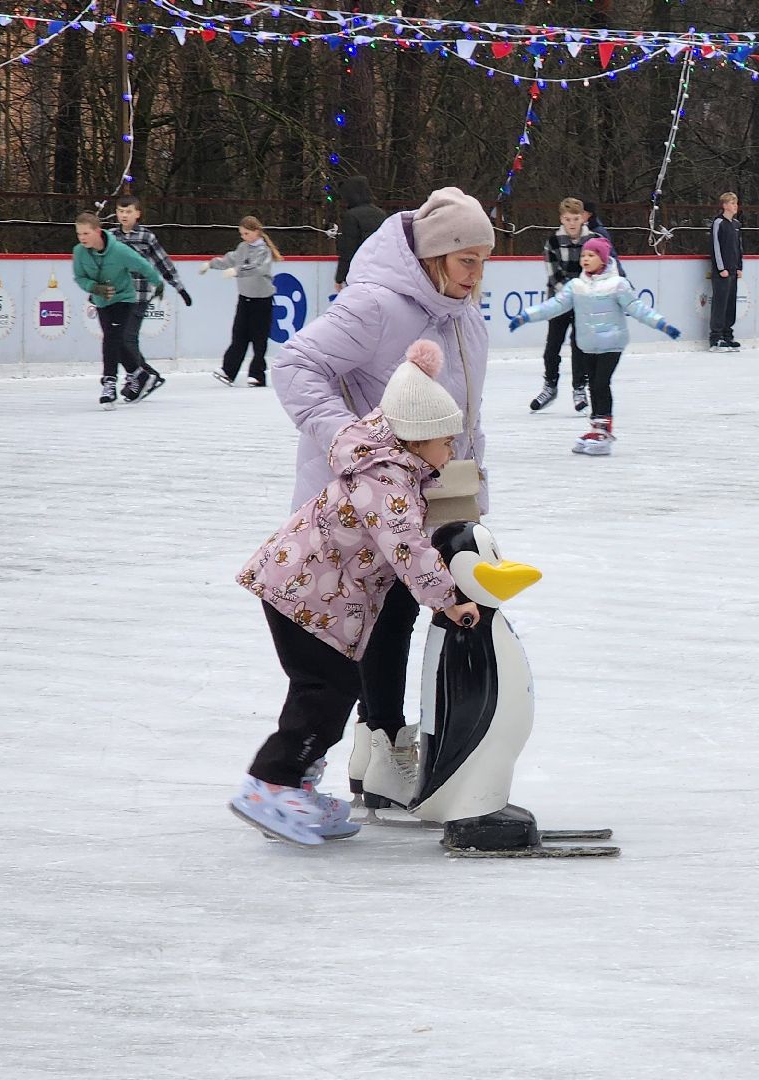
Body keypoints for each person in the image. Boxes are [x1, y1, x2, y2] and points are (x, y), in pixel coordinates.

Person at [272, 185, 495, 805]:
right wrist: (343, 435)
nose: (476, 275)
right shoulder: (375, 305)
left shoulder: (465, 318)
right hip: (356, 501)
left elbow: (467, 420)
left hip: (425, 494)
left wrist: (474, 490)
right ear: (432, 258)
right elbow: (294, 365)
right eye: (465, 260)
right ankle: (381, 742)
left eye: (484, 260)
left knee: (398, 619)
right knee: (378, 626)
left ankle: (378, 744)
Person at [230, 340, 481, 846]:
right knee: (325, 691)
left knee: (328, 689)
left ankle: (293, 784)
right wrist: (449, 597)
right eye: (446, 441)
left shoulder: (388, 459)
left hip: (311, 593)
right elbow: (405, 543)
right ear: (418, 439)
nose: (451, 450)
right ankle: (271, 785)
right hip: (303, 596)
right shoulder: (385, 478)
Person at [508, 236, 682, 456]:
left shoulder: (618, 285)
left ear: (602, 258)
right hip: (587, 345)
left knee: (601, 383)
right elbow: (554, 306)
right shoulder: (576, 286)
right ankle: (596, 427)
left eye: (591, 255)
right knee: (592, 386)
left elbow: (639, 309)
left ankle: (604, 430)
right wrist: (526, 316)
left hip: (612, 343)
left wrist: (662, 325)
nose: (585, 259)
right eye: (583, 255)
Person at [71, 211, 163, 410]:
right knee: (115, 339)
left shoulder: (119, 250)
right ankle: (139, 374)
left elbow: (143, 265)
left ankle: (109, 384)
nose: (82, 238)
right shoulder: (79, 252)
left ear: (97, 231)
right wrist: (94, 287)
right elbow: (79, 277)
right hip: (102, 301)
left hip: (124, 298)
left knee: (111, 339)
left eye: (86, 233)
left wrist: (159, 283)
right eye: (79, 234)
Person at [109, 194, 191, 403]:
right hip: (117, 297)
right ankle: (144, 375)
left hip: (139, 295)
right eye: (121, 211)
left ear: (138, 214)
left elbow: (163, 262)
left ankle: (142, 376)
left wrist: (179, 288)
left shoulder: (147, 237)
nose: (124, 215)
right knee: (119, 340)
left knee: (126, 338)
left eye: (128, 211)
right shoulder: (110, 237)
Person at [204, 215, 282, 387]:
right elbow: (229, 259)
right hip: (245, 299)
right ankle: (228, 370)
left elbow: (258, 268)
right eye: (241, 234)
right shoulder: (242, 247)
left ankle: (257, 374)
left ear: (256, 232)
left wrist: (237, 271)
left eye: (246, 233)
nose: (243, 237)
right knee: (239, 335)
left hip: (262, 300)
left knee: (259, 338)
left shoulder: (264, 251)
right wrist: (211, 264)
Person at [535, 197, 595, 412]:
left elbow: (595, 271)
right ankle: (550, 385)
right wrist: (570, 294)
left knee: (580, 346)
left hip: (584, 302)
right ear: (561, 219)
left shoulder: (593, 241)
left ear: (583, 218)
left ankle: (579, 387)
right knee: (552, 346)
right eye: (568, 219)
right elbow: (554, 277)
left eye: (576, 218)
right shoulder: (552, 242)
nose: (572, 223)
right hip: (559, 301)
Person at [333, 175, 388, 292]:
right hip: (381, 271)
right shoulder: (381, 214)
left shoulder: (351, 216)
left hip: (360, 272)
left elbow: (348, 249)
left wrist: (340, 277)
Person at [709, 191, 744, 352]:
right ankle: (716, 338)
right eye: (731, 203)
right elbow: (715, 246)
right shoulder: (718, 223)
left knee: (730, 305)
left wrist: (739, 267)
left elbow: (738, 247)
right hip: (722, 271)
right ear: (724, 205)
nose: (734, 206)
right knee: (720, 304)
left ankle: (727, 335)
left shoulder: (736, 224)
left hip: (733, 270)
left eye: (735, 203)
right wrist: (720, 267)